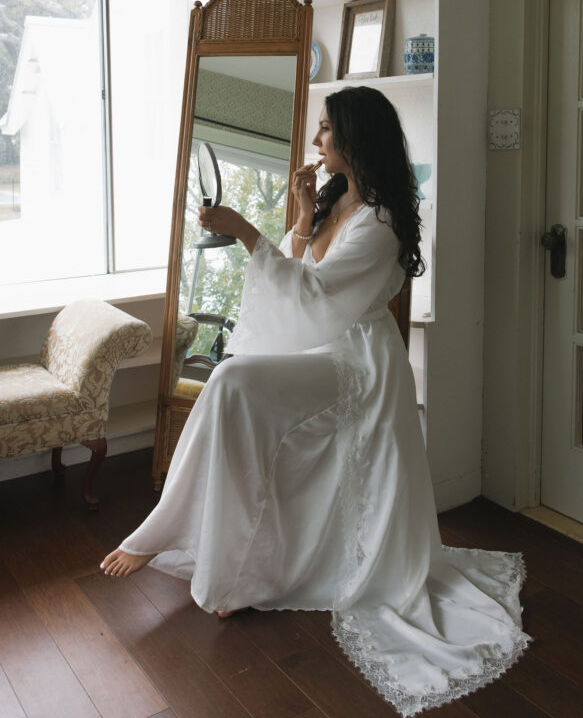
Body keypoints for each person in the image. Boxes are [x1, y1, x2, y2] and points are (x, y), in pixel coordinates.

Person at [101, 86, 529, 716]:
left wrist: (246, 230)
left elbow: (317, 297)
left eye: (326, 130)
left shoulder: (381, 222)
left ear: (354, 139)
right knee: (232, 387)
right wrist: (300, 218)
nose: (316, 140)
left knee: (231, 383)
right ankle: (231, 562)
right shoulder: (336, 201)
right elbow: (301, 275)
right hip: (321, 347)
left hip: (358, 364)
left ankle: (179, 535)